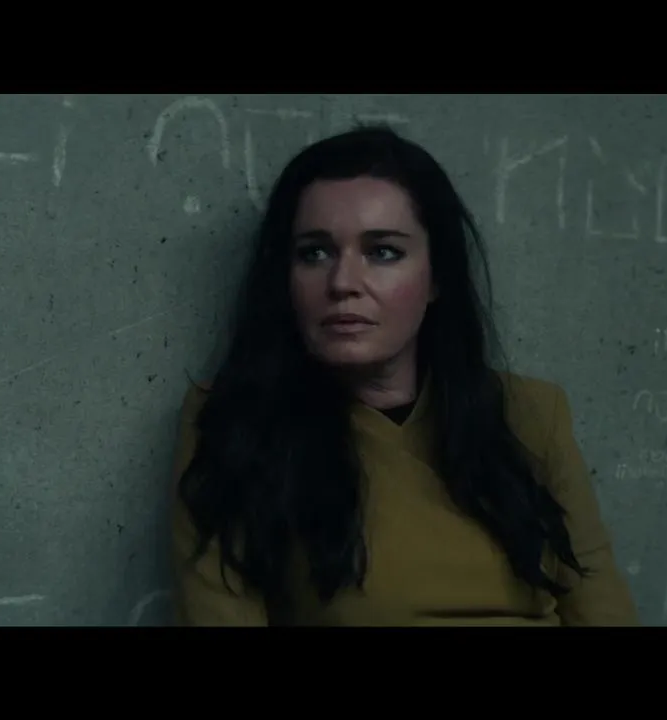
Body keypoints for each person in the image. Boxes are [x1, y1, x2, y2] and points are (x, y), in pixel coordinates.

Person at [167, 125, 639, 626]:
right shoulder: (236, 425)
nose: (343, 282)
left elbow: (601, 606)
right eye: (314, 252)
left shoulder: (532, 415)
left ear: (437, 277)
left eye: (383, 252)